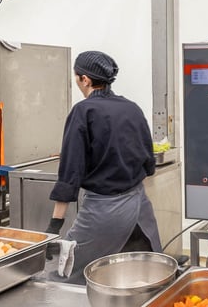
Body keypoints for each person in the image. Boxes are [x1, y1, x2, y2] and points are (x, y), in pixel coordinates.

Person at [46, 50, 162, 283]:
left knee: (66, 274)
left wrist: (54, 226)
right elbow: (148, 161)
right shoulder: (131, 107)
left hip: (105, 210)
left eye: (76, 78)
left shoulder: (84, 111)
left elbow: (70, 172)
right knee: (145, 271)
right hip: (139, 204)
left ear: (85, 80)